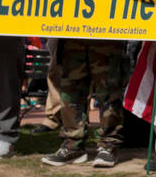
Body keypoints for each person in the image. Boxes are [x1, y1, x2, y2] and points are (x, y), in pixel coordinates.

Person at [41, 38, 128, 168]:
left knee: (108, 92)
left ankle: (108, 146)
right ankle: (73, 146)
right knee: (70, 93)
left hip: (108, 36)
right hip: (72, 36)